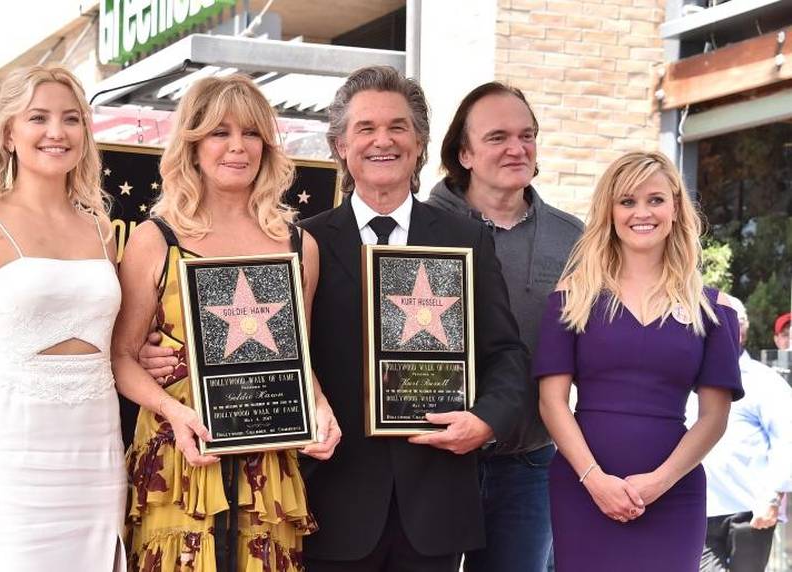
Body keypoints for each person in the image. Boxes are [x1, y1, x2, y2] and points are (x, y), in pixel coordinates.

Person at [293, 66, 528, 571]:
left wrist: (486, 421)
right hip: (331, 503)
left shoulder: (466, 239)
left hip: (436, 507)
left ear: (420, 142)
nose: (384, 141)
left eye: (399, 127)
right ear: (339, 145)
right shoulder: (302, 242)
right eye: (366, 128)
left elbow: (505, 355)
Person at [111, 74, 340, 572]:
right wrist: (172, 412)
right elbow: (122, 358)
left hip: (269, 462)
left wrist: (320, 408)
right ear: (192, 146)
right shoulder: (157, 238)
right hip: (180, 457)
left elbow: (295, 359)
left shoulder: (300, 247)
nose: (238, 147)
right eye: (220, 132)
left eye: (251, 133)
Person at [0, 64, 126, 570]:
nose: (56, 133)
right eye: (38, 117)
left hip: (96, 451)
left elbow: (120, 347)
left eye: (71, 119)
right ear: (9, 132)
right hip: (10, 456)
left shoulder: (102, 230)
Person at [535, 151, 744, 572]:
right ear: (609, 212)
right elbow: (551, 402)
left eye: (655, 200)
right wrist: (595, 480)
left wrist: (658, 483)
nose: (642, 213)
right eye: (627, 201)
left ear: (676, 209)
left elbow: (713, 419)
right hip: (582, 489)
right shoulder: (574, 295)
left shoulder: (711, 308)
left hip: (674, 496)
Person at [427, 81, 583, 571]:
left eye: (527, 135)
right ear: (464, 152)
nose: (517, 148)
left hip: (528, 463)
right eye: (497, 137)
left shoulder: (574, 238)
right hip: (428, 462)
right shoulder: (418, 228)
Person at [696, 295, 792, 572]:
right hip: (698, 508)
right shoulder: (690, 376)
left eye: (728, 322)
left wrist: (773, 498)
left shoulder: (765, 381)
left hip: (749, 511)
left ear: (742, 330)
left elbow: (786, 438)